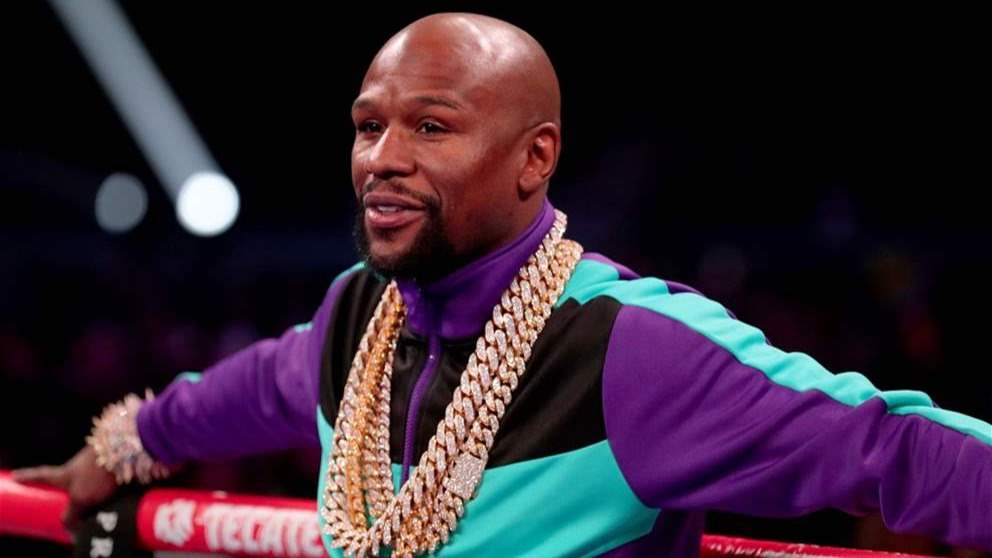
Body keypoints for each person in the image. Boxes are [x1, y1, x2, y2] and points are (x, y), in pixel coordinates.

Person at [14, 12, 991, 558]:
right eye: (368, 125)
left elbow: (890, 445)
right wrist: (124, 445)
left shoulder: (627, 350)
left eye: (431, 127)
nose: (381, 159)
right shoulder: (355, 314)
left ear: (535, 159)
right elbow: (249, 390)